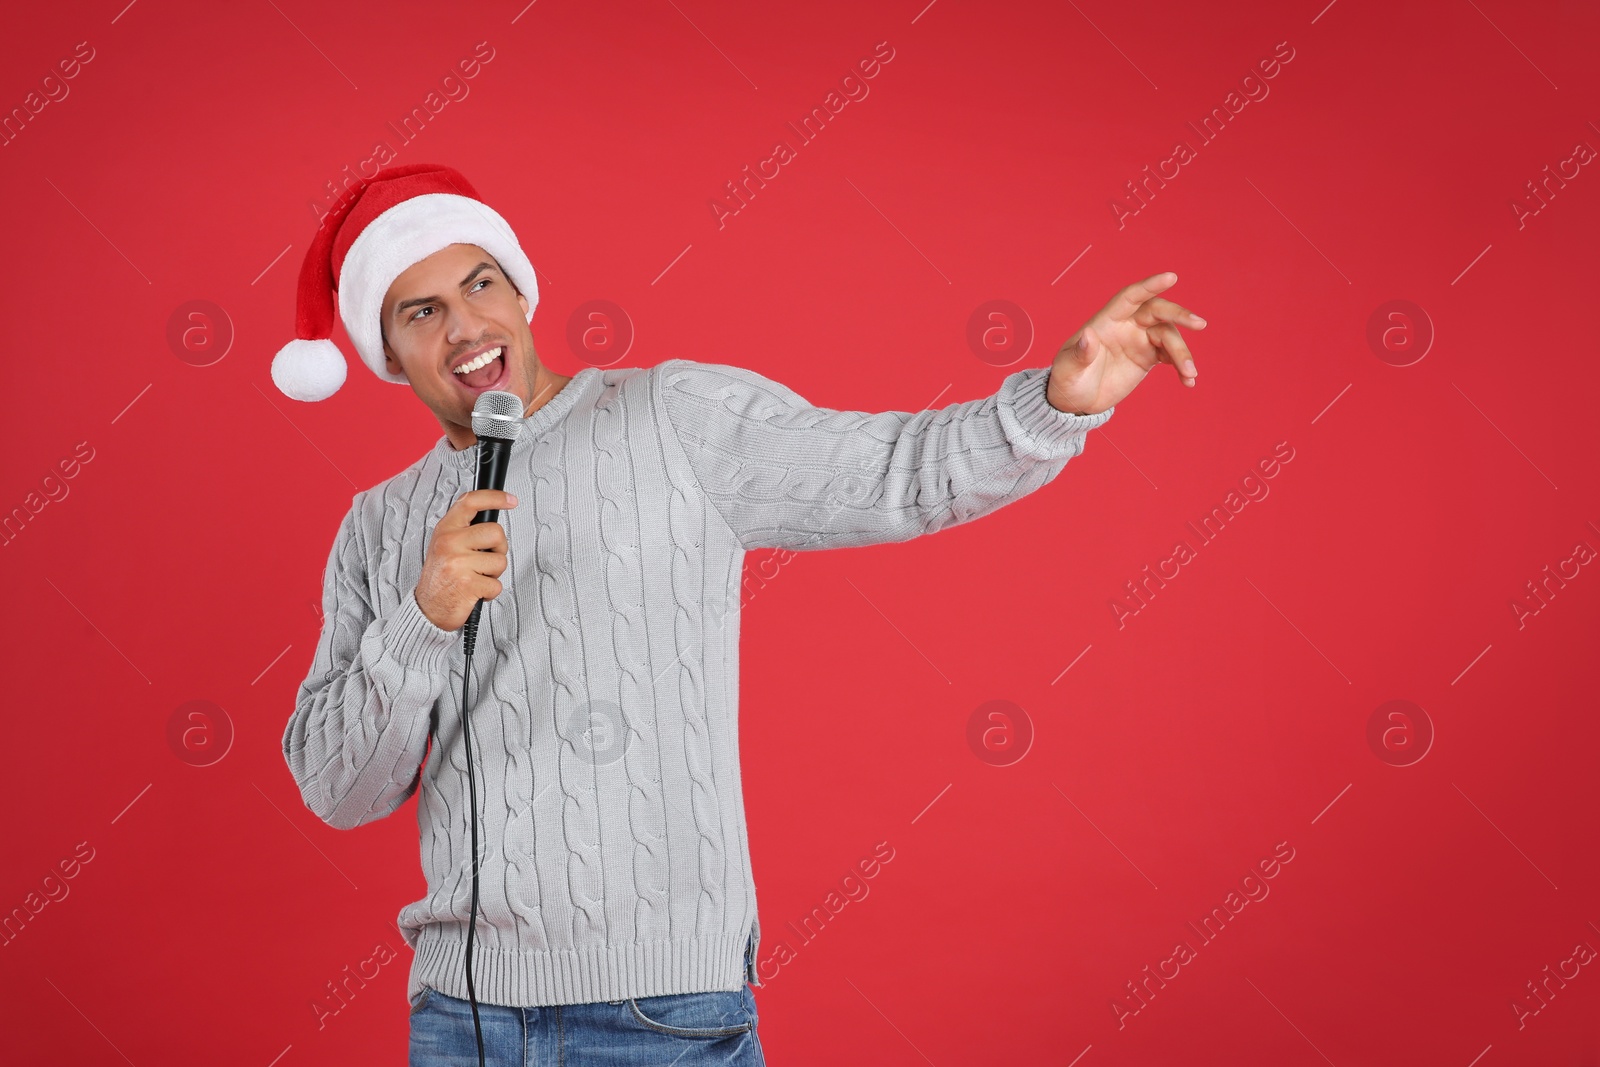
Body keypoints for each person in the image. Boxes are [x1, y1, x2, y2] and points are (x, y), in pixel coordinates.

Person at [275, 164, 1205, 1066]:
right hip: (462, 1020)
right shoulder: (379, 525)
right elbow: (339, 786)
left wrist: (1049, 410)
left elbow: (893, 472)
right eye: (421, 310)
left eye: (480, 283)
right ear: (388, 354)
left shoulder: (671, 417)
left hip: (659, 1012)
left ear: (522, 293)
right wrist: (424, 617)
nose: (465, 326)